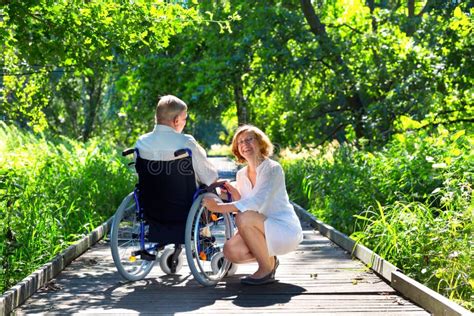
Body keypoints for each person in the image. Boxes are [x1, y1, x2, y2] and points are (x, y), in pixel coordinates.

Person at [202, 125, 303, 285]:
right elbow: (243, 201)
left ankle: (266, 269)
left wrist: (219, 208)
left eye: (250, 139)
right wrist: (225, 193)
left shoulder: (272, 169)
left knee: (244, 218)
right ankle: (270, 260)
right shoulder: (241, 174)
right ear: (237, 148)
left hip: (283, 229)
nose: (245, 144)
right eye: (240, 142)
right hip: (260, 228)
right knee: (230, 251)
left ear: (260, 143)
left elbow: (255, 203)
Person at [135, 94, 218, 187]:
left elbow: (139, 176)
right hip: (186, 201)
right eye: (184, 118)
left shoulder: (141, 142)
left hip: (147, 200)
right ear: (176, 120)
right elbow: (210, 178)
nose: (185, 123)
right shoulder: (187, 143)